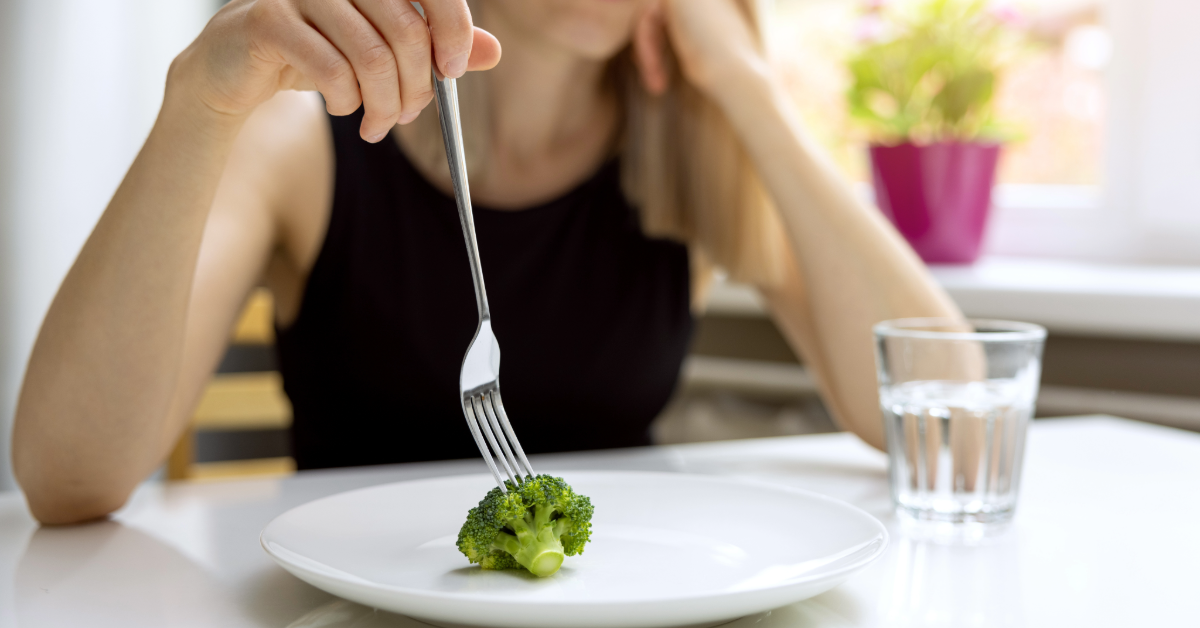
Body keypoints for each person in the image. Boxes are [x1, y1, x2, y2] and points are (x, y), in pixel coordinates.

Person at [12, 0, 959, 525]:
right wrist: (200, 106)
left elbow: (948, 418)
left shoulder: (688, 150)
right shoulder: (303, 141)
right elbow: (67, 480)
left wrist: (749, 87)